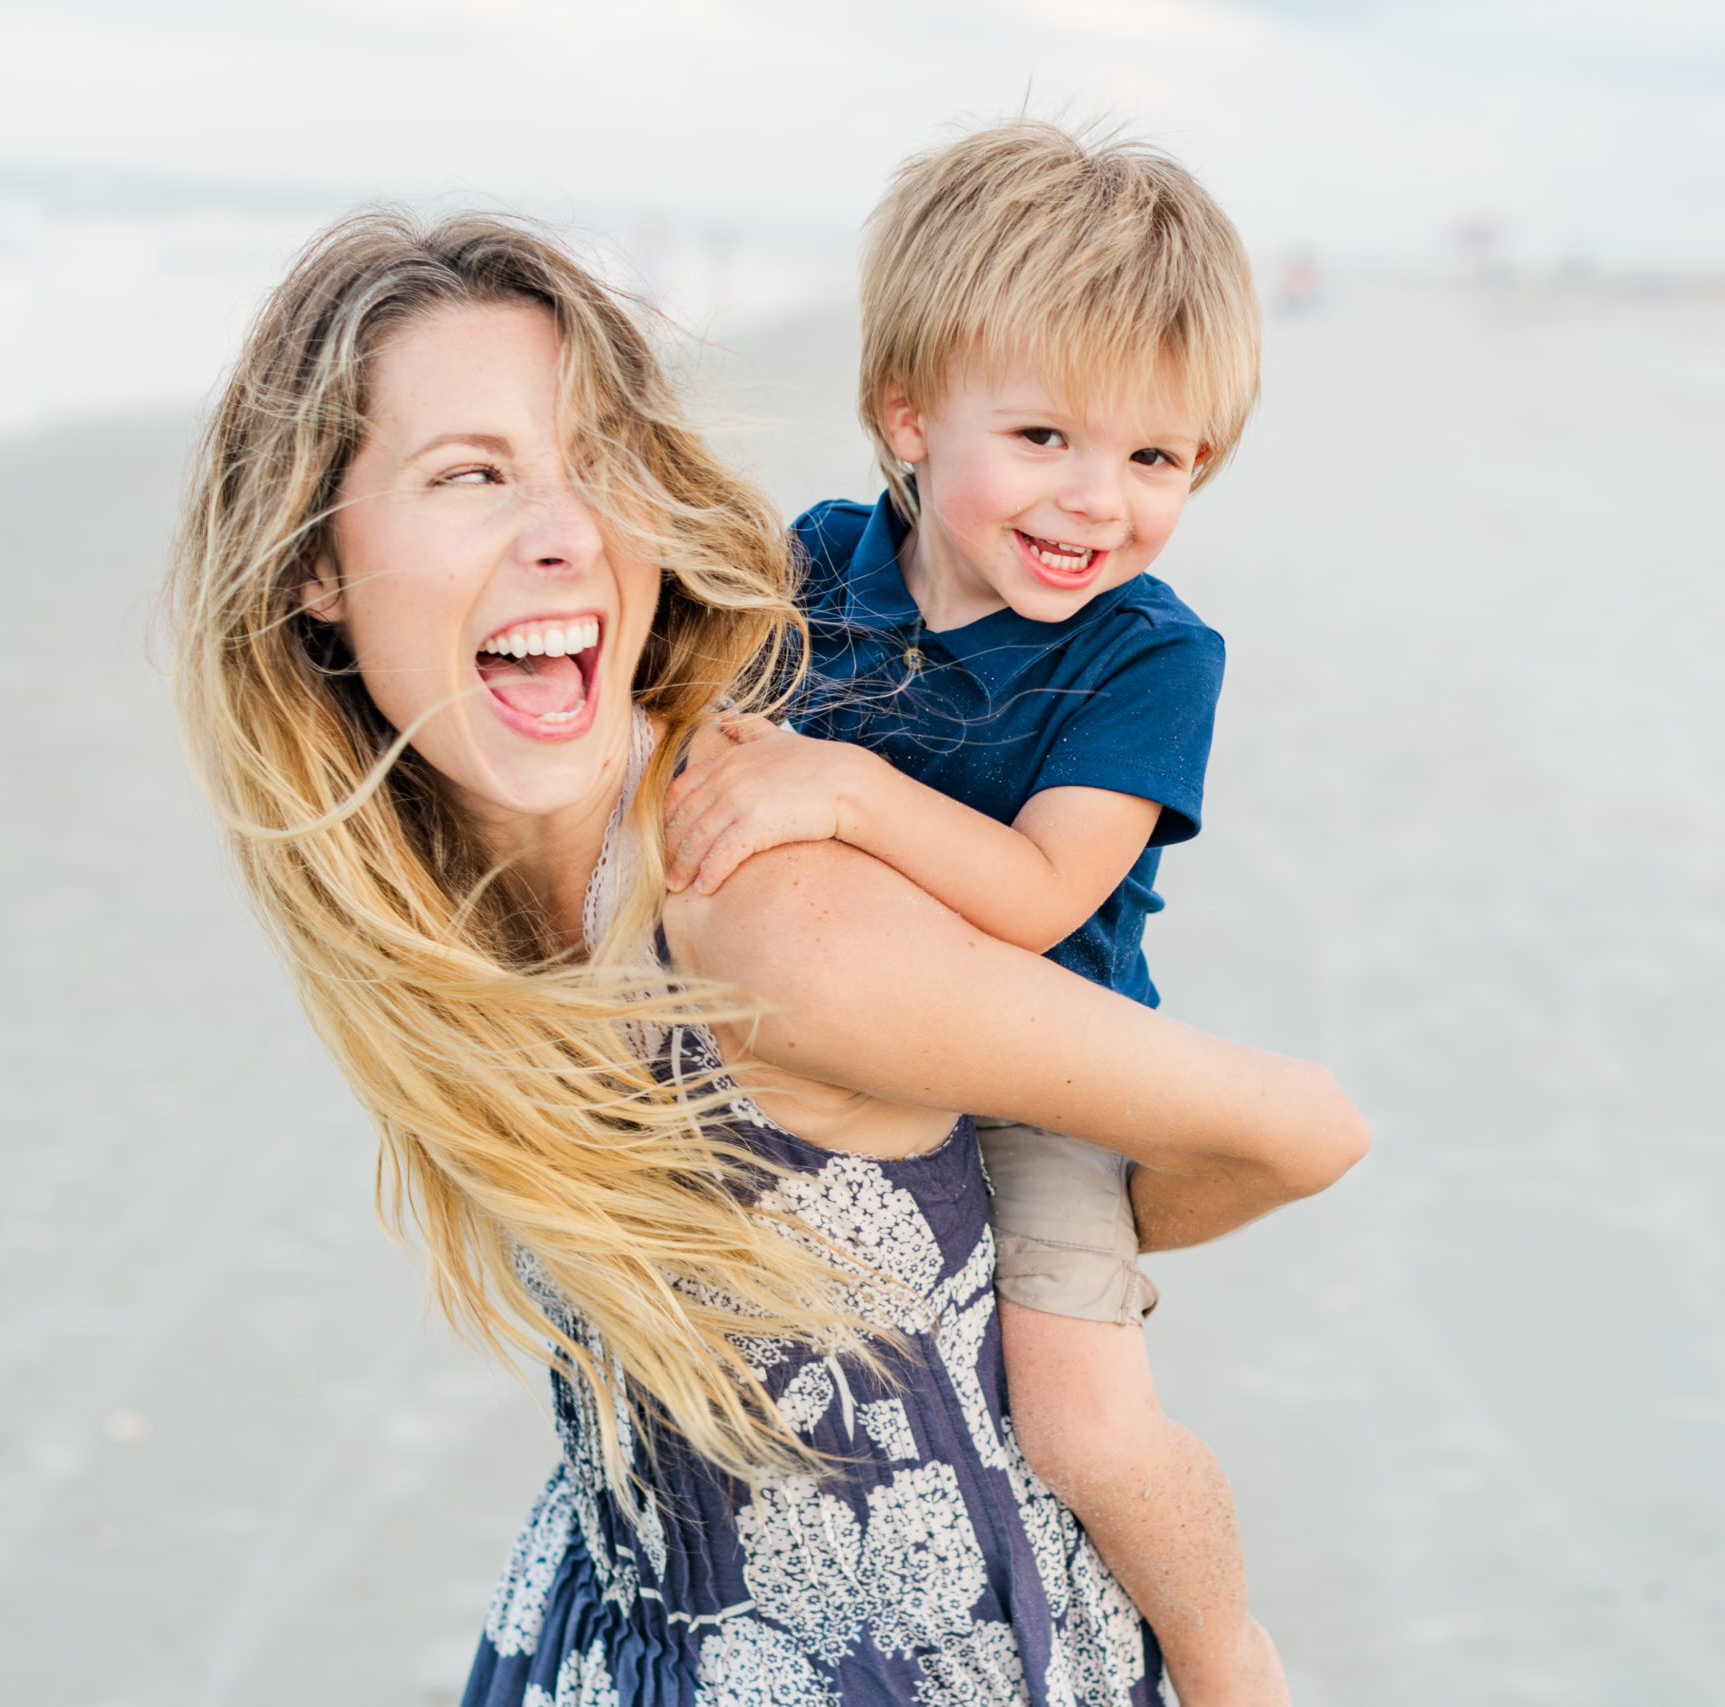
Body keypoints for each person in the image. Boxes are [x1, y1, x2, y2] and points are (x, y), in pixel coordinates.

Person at [168, 209, 1368, 1706]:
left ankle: (1232, 1660)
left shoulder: (774, 916)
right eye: (473, 474)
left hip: (934, 1655)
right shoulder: (455, 907)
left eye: (596, 463)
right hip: (616, 1625)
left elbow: (1302, 1121)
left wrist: (1050, 1236)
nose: (563, 530)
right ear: (312, 569)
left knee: (1093, 1425)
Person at [661, 122, 1281, 1701]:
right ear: (911, 414)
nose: (1100, 501)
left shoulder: (1149, 656)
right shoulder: (817, 563)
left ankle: (1224, 1657)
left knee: (1076, 1411)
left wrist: (847, 792)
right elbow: (713, 748)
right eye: (1048, 436)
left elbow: (1044, 893)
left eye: (1159, 460)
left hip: (1036, 1057)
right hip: (824, 1045)